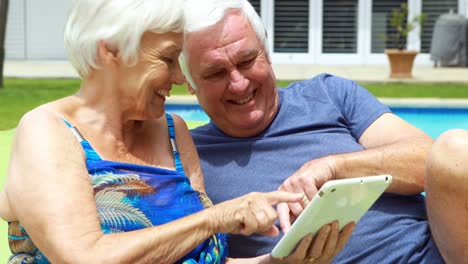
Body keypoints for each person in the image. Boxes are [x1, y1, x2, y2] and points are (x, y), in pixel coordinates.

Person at [0, 0, 341, 263]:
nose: (179, 78)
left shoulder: (172, 132)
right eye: (167, 59)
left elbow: (207, 257)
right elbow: (86, 256)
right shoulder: (49, 131)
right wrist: (215, 218)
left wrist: (278, 260)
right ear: (111, 50)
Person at [180, 0, 466, 263]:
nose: (239, 84)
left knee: (457, 147)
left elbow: (428, 159)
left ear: (266, 53)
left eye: (246, 61)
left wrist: (333, 167)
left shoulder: (328, 94)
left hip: (434, 254)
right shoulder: (188, 158)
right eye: (216, 73)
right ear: (189, 83)